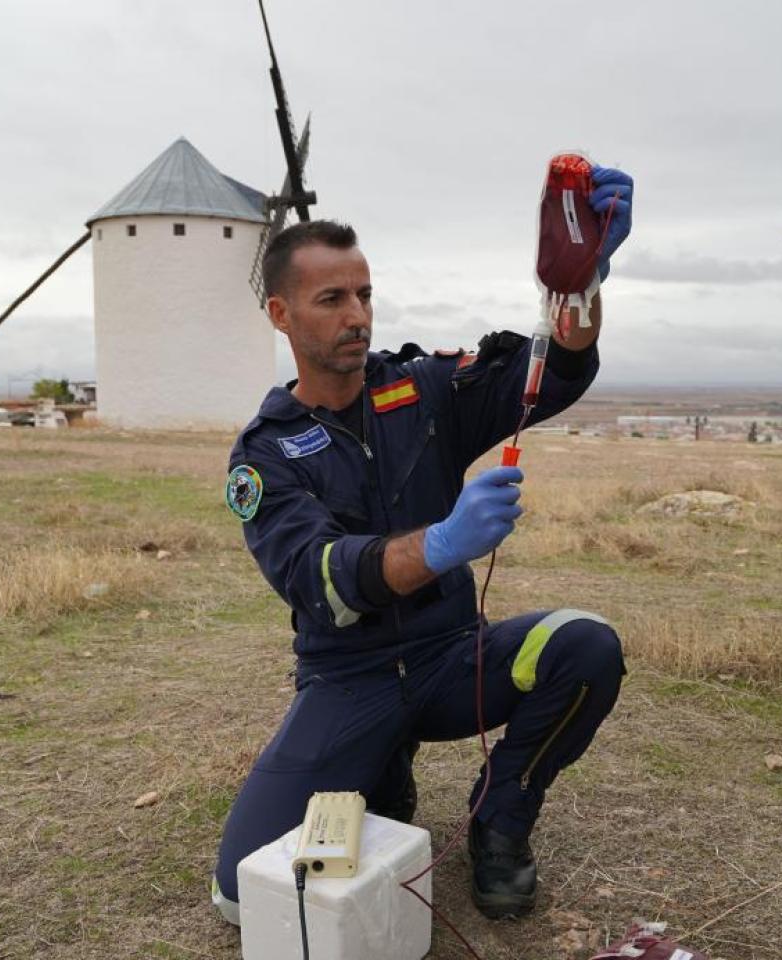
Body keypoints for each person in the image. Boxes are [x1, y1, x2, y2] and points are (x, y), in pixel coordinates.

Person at [213, 167, 634, 924]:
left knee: (586, 645)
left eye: (365, 295)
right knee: (243, 893)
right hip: (350, 679)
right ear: (280, 313)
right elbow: (321, 580)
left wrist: (580, 285)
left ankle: (499, 820)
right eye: (332, 299)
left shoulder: (422, 388)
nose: (358, 316)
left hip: (452, 661)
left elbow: (552, 373)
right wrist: (441, 543)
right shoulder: (265, 454)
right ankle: (381, 769)